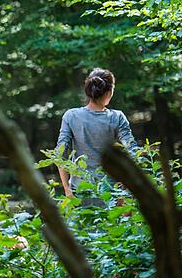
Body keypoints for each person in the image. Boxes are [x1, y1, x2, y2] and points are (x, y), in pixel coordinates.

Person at [57, 68, 138, 198]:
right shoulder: (117, 117)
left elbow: (60, 154)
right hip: (112, 192)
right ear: (108, 92)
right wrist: (128, 188)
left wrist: (67, 189)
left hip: (80, 190)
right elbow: (133, 151)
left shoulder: (71, 116)